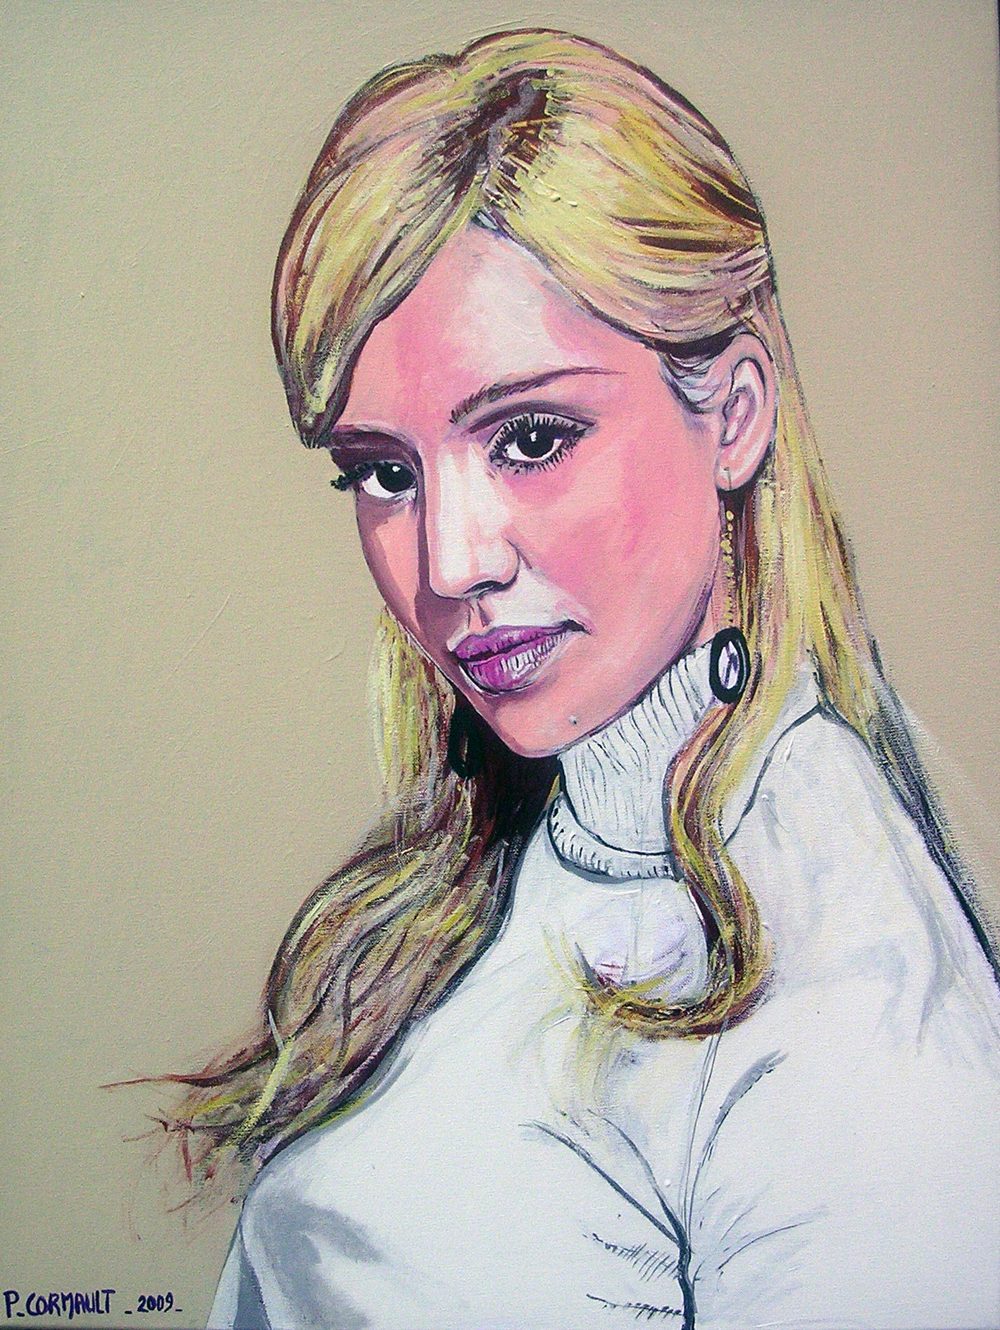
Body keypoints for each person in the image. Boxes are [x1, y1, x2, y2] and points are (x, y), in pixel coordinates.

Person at [166, 29, 999, 1329]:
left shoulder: (856, 978)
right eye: (383, 471)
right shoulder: (466, 877)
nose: (448, 561)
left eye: (533, 437)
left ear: (734, 413)